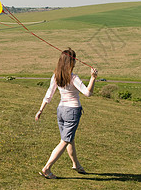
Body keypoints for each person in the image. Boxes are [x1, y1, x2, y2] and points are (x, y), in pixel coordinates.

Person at [35, 48, 98, 179]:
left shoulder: (56, 76)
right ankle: (47, 168)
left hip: (61, 111)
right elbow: (88, 93)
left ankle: (76, 164)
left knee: (69, 138)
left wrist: (40, 110)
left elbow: (49, 95)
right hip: (72, 111)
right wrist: (93, 78)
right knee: (65, 140)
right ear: (71, 62)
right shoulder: (73, 77)